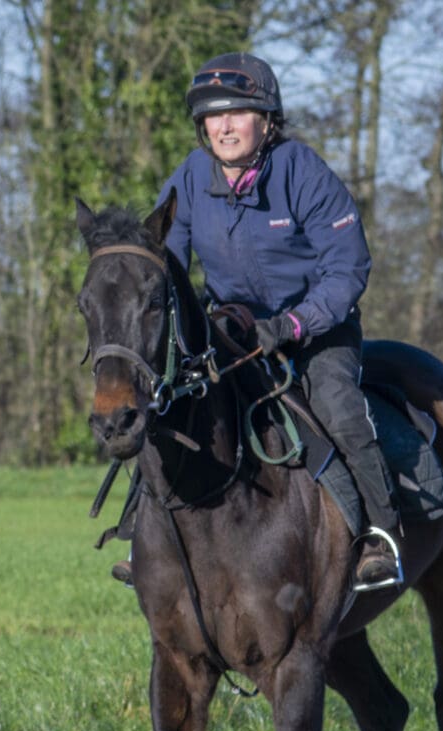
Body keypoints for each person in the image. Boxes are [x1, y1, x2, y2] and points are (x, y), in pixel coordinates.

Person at [114, 52, 403, 591]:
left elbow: (348, 267)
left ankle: (382, 534)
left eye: (237, 113)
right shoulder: (190, 179)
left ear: (266, 120)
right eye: (212, 116)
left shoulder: (304, 171)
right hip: (234, 332)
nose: (224, 126)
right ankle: (142, 533)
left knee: (338, 408)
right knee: (167, 401)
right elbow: (164, 267)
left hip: (317, 331)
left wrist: (293, 325)